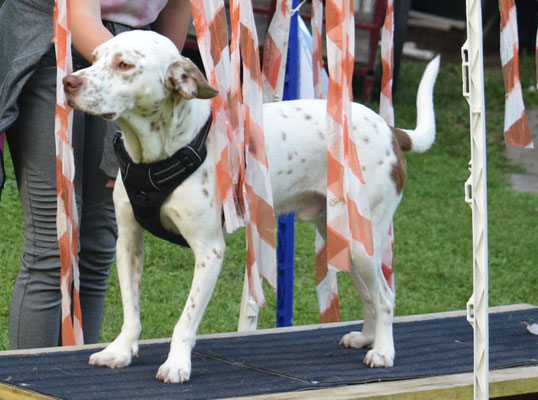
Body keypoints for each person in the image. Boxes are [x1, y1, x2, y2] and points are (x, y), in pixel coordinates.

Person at [0, 0, 192, 349]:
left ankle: (76, 379)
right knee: (53, 243)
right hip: (50, 40)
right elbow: (80, 16)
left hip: (128, 59)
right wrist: (131, 74)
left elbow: (178, 6)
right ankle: (30, 382)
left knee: (99, 239)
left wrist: (158, 83)